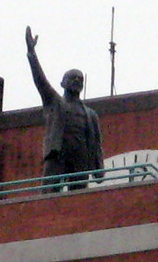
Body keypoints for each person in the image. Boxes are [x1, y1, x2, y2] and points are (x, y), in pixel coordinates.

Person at [25, 26, 103, 191]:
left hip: (80, 158)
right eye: (72, 77)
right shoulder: (54, 102)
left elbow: (96, 144)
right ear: (62, 83)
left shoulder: (90, 115)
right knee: (49, 194)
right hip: (57, 154)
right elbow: (40, 80)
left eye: (80, 78)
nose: (77, 80)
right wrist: (32, 53)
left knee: (80, 197)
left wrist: (98, 169)